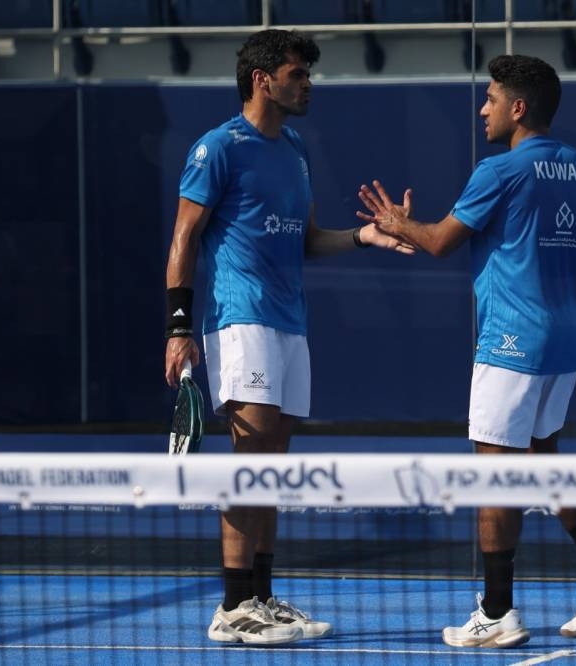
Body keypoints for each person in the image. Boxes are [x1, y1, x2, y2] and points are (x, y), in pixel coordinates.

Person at [357, 54, 576, 648]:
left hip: (512, 341)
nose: (482, 109)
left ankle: (496, 611)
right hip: (566, 342)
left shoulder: (499, 171)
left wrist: (396, 223)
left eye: (489, 99)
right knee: (541, 454)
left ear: (518, 108)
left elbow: (438, 243)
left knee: (496, 472)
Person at [163, 29, 413, 646]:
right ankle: (230, 605)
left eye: (308, 75)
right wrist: (177, 328)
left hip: (289, 323)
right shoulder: (217, 149)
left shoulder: (296, 149)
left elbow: (305, 240)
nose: (308, 85)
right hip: (240, 320)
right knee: (250, 464)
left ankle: (262, 597)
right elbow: (183, 241)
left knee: (273, 466)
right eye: (298, 74)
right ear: (262, 79)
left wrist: (363, 238)